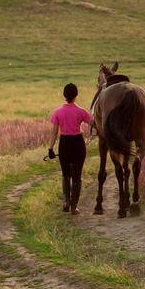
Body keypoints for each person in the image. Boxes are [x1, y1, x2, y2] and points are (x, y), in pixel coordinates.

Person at [47, 83, 93, 213]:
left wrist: (50, 149)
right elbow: (94, 124)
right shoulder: (81, 111)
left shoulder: (58, 112)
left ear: (64, 95)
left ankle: (66, 202)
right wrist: (92, 135)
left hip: (64, 144)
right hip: (78, 144)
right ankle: (74, 206)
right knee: (77, 176)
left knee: (65, 174)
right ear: (76, 96)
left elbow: (54, 133)